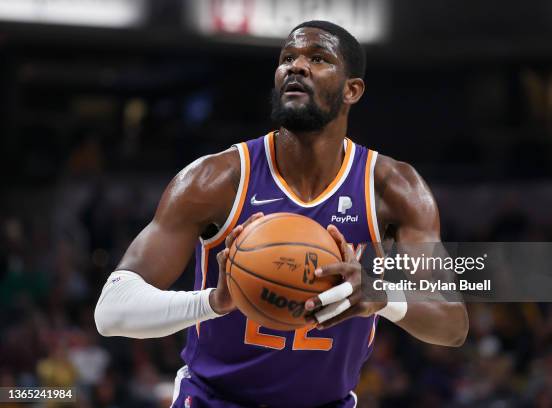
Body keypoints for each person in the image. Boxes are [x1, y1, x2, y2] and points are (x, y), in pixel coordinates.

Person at [94, 20, 469, 408]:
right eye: (288, 58)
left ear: (352, 90)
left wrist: (380, 293)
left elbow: (452, 324)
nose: (297, 66)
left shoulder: (394, 189)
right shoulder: (217, 178)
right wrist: (212, 302)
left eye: (318, 58)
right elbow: (112, 310)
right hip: (215, 401)